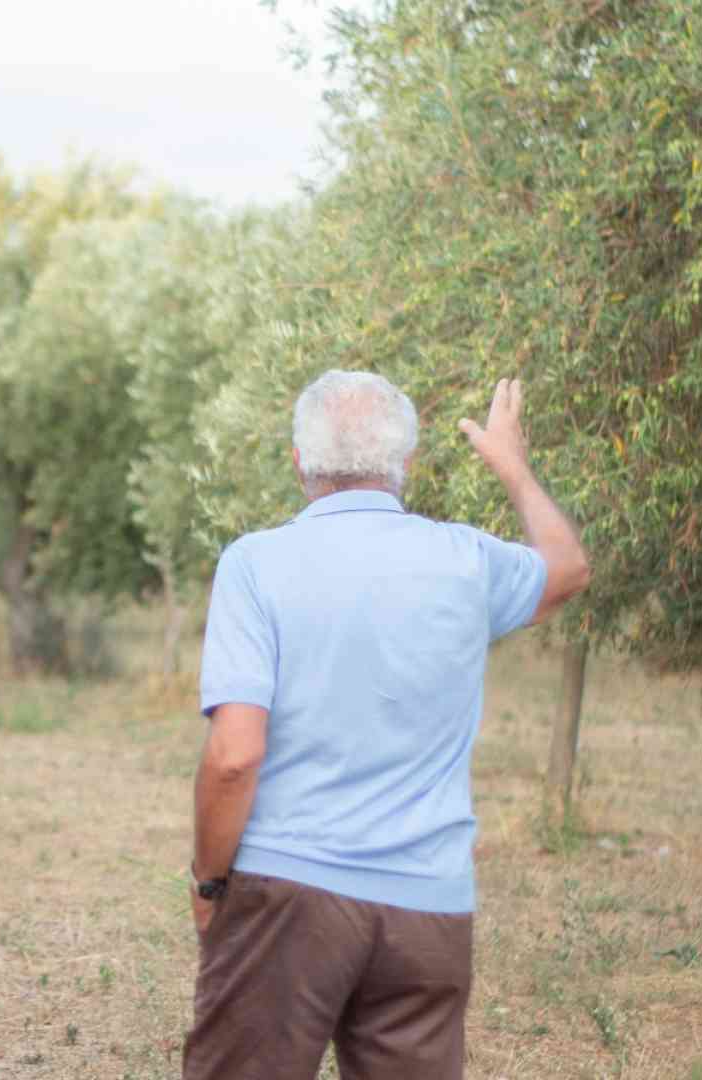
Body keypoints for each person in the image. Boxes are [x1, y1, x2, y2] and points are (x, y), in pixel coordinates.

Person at [185, 372, 590, 1079]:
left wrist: (209, 881)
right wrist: (513, 468)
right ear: (407, 463)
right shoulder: (467, 562)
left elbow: (234, 756)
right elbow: (568, 568)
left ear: (298, 461)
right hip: (427, 906)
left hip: (285, 895)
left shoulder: (255, 564)